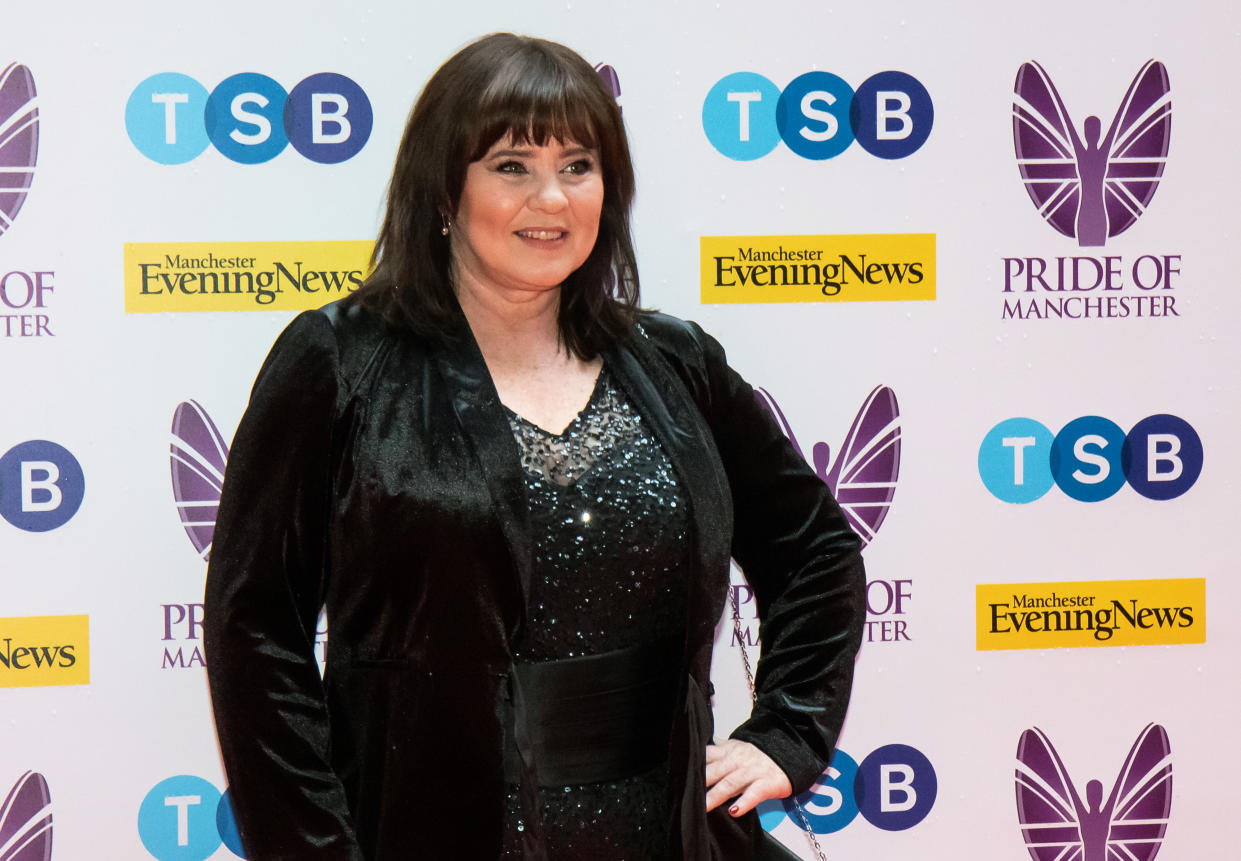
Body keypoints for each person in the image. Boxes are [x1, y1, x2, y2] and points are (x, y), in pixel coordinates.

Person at [204, 32, 865, 861]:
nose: (550, 199)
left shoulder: (676, 363)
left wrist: (788, 731)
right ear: (444, 188)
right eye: (512, 165)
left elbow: (815, 551)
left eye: (578, 166)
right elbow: (254, 629)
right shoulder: (339, 364)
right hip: (425, 833)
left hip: (661, 832)